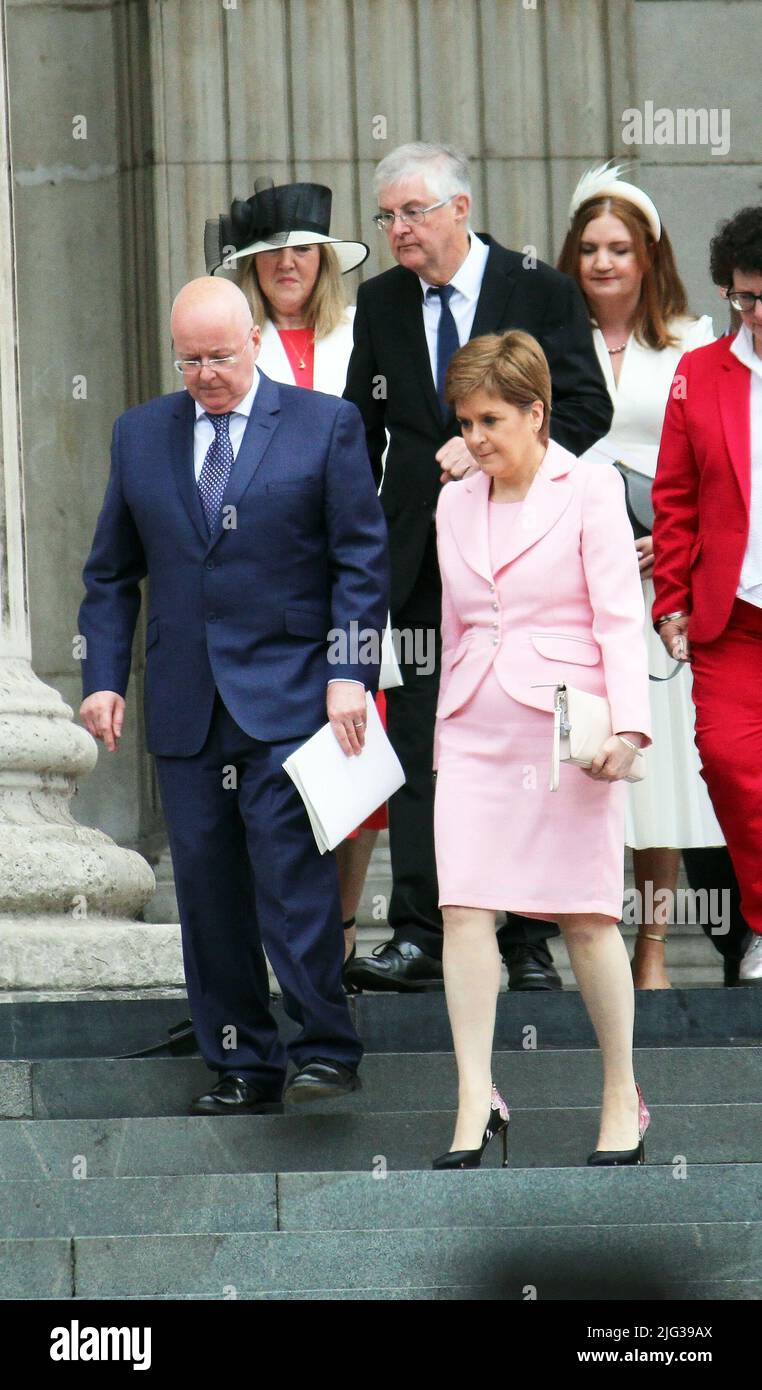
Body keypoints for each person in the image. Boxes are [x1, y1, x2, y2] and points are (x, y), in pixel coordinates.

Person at [78, 276, 389, 1112]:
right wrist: (103, 678)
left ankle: (325, 1046)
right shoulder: (140, 434)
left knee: (292, 879)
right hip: (187, 703)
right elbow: (111, 573)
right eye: (190, 360)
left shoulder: (325, 425)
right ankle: (242, 1063)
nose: (207, 374)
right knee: (208, 891)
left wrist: (350, 674)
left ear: (254, 337)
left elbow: (362, 563)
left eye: (220, 355)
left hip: (291, 697)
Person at [343, 141, 614, 995]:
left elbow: (585, 405)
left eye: (413, 212)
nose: (398, 231)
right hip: (422, 562)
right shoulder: (381, 301)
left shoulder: (538, 290)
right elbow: (359, 426)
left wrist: (497, 454)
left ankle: (528, 942)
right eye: (386, 217)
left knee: (532, 739)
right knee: (427, 743)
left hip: (531, 551)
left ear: (460, 208)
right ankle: (424, 932)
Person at [433, 330, 652, 1168]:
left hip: (568, 730)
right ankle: (473, 1097)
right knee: (464, 910)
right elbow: (457, 623)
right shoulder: (455, 499)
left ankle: (620, 1092)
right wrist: (445, 723)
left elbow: (617, 620)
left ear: (537, 412)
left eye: (491, 419)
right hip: (475, 725)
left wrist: (628, 728)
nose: (475, 437)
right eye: (465, 420)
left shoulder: (591, 490)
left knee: (589, 918)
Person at [558, 164, 750, 989]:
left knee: (663, 763)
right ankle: (589, 943)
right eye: (591, 248)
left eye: (620, 248)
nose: (604, 263)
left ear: (649, 256)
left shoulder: (693, 338)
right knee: (587, 761)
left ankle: (657, 947)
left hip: (658, 577)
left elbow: (712, 469)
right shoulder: (548, 338)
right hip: (568, 574)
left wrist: (671, 547)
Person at [207, 178, 383, 975]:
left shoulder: (361, 333)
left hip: (349, 571)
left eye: (303, 249)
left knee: (355, 773)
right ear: (250, 266)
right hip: (263, 578)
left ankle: (341, 935)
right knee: (268, 776)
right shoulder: (230, 342)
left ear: (324, 260)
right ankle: (286, 949)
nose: (289, 263)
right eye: (272, 251)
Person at [652, 205, 762, 986]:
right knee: (727, 761)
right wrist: (669, 600)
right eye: (742, 298)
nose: (754, 312)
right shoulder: (700, 372)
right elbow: (675, 496)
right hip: (733, 617)